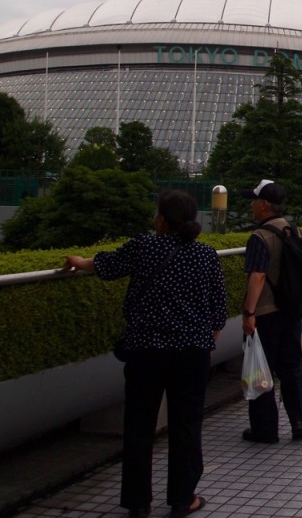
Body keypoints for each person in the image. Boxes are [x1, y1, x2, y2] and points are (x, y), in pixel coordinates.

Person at [64, 190, 226, 518]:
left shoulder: (144, 246)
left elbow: (107, 265)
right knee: (186, 426)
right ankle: (183, 499)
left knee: (139, 426)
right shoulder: (206, 255)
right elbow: (218, 310)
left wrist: (81, 262)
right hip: (191, 353)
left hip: (145, 352)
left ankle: (137, 502)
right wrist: (206, 342)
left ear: (161, 219)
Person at [239, 179, 302, 444]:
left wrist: (249, 313)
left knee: (261, 370)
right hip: (291, 311)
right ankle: (298, 422)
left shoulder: (260, 237)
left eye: (254, 200)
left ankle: (264, 429)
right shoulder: (294, 230)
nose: (251, 205)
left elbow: (257, 277)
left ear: (265, 204)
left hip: (266, 313)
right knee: (291, 367)